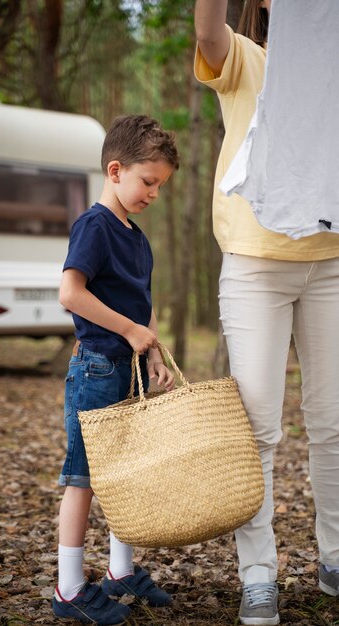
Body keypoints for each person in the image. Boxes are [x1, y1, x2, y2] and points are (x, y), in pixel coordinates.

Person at [194, 1, 339, 625]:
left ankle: (335, 559)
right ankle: (259, 576)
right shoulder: (248, 60)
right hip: (255, 265)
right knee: (258, 429)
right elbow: (205, 30)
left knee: (332, 423)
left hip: (332, 260)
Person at [53, 114, 179, 625]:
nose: (153, 193)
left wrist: (151, 352)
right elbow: (71, 293)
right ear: (115, 169)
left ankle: (120, 573)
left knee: (126, 475)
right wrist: (129, 333)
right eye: (148, 182)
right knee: (83, 478)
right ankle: (68, 589)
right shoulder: (94, 226)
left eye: (160, 186)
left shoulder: (139, 240)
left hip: (130, 370)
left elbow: (141, 307)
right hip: (97, 369)